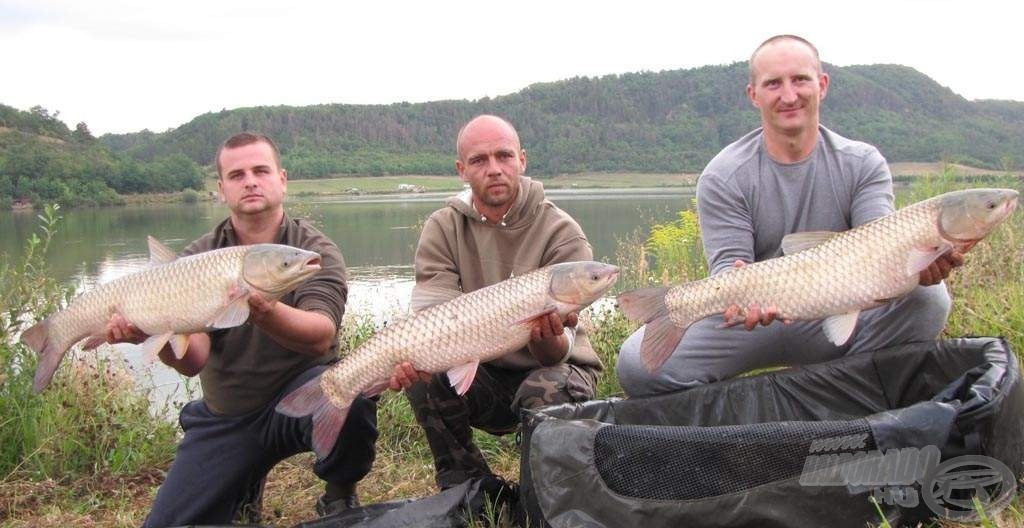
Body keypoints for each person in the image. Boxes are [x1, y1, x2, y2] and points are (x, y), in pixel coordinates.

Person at [616, 35, 962, 397]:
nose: (789, 95)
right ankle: (741, 418)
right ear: (754, 95)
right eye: (773, 84)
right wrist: (739, 299)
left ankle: (847, 395)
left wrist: (919, 266)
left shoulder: (862, 163)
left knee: (930, 298)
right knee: (637, 366)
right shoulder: (723, 175)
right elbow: (729, 270)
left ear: (822, 85)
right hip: (753, 322)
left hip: (838, 308)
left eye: (800, 79)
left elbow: (879, 250)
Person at [104, 132, 378, 526]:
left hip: (303, 398)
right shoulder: (199, 257)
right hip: (229, 413)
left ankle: (339, 491)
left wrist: (262, 310)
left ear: (282, 179)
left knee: (348, 394)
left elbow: (321, 334)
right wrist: (151, 333)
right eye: (237, 175)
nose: (250, 180)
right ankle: (244, 481)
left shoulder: (311, 251)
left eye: (260, 170)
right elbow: (192, 360)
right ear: (221, 189)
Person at [388, 114, 602, 490]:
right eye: (479, 160)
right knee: (423, 371)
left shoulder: (562, 232)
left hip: (554, 365)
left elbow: (555, 354)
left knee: (549, 387)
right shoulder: (443, 227)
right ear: (461, 170)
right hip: (477, 368)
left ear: (522, 159)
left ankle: (546, 491)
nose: (495, 169)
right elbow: (431, 318)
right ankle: (469, 487)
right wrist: (409, 359)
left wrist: (543, 334)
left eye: (504, 156)